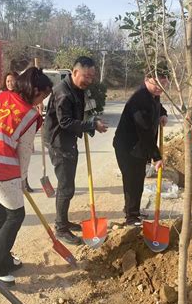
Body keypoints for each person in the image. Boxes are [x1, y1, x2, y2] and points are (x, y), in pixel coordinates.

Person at [0, 68, 52, 286]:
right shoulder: (30, 114)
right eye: (42, 95)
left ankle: (3, 259)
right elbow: (24, 151)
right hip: (0, 171)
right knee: (15, 215)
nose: (41, 101)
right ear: (34, 91)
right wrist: (22, 179)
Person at [43, 56, 108, 245]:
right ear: (75, 72)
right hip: (59, 143)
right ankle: (60, 228)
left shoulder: (78, 89)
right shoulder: (63, 92)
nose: (89, 80)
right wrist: (90, 126)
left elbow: (82, 111)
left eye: (92, 76)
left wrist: (90, 121)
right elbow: (65, 122)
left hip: (68, 140)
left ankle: (64, 221)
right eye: (86, 76)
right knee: (66, 187)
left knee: (68, 185)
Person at [113, 66, 169, 226]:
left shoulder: (152, 94)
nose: (160, 87)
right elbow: (144, 131)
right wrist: (156, 157)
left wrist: (163, 113)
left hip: (140, 147)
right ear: (146, 80)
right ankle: (131, 217)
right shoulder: (139, 99)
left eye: (164, 84)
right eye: (157, 83)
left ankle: (133, 210)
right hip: (128, 147)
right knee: (132, 180)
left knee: (138, 179)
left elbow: (157, 106)